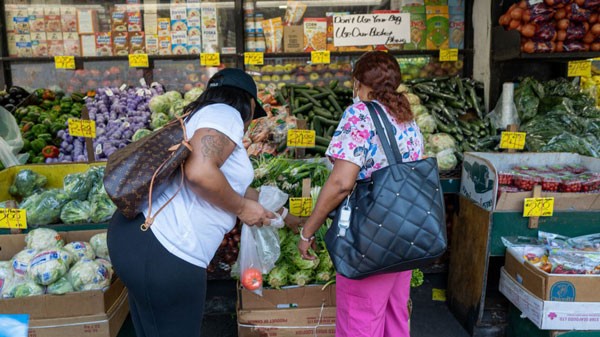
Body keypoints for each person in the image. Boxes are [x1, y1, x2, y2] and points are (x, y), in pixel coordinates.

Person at [108, 68, 302, 337]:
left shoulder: (198, 119)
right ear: (250, 104)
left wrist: (285, 217)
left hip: (138, 239)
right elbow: (200, 172)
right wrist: (242, 209)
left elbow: (236, 188)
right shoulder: (225, 113)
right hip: (165, 249)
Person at [297, 51, 424, 337]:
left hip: (370, 238)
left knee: (360, 322)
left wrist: (308, 231)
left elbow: (341, 183)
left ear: (358, 83)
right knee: (395, 319)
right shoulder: (407, 118)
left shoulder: (359, 115)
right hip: (405, 234)